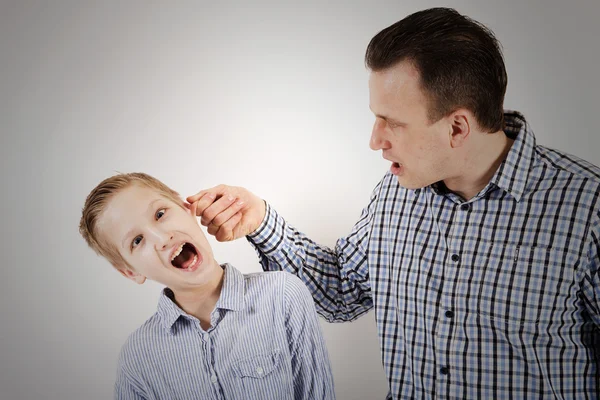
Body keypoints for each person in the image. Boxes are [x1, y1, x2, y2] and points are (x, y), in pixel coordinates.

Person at [187, 7, 600, 399]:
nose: (375, 140)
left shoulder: (588, 207)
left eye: (394, 123)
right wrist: (260, 220)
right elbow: (341, 292)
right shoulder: (394, 193)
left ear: (458, 127)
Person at [78, 172, 335, 400]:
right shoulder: (138, 357)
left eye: (159, 214)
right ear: (129, 271)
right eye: (137, 240)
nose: (162, 238)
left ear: (185, 207)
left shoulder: (283, 295)